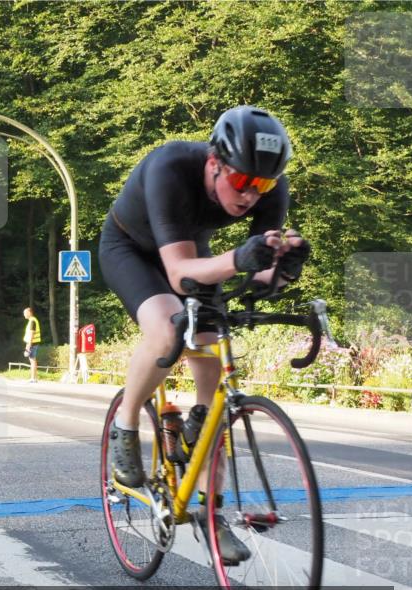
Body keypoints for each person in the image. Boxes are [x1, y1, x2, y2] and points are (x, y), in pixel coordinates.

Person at [98, 105, 311, 564]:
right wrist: (239, 259)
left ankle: (210, 514)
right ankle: (125, 425)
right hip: (132, 250)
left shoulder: (269, 187)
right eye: (242, 181)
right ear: (214, 163)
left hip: (195, 253)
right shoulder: (171, 167)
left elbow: (256, 279)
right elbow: (178, 274)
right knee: (167, 330)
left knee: (213, 391)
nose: (251, 194)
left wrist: (284, 271)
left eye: (262, 185)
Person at [22, 307, 41, 383]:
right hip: (32, 343)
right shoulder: (32, 320)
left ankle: (33, 378)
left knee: (32, 360)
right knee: (33, 360)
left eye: (25, 313)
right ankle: (34, 378)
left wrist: (28, 348)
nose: (24, 315)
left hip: (32, 343)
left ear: (29, 313)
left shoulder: (32, 321)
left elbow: (31, 335)